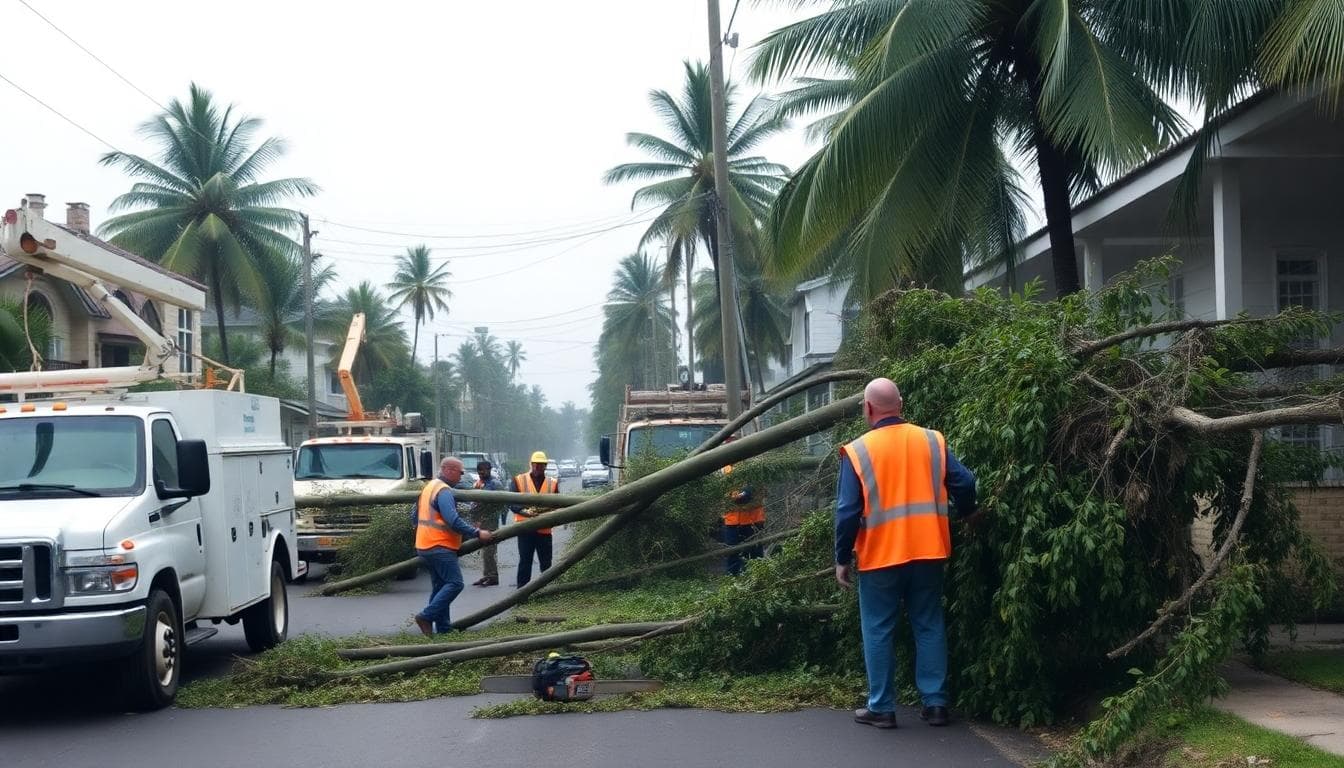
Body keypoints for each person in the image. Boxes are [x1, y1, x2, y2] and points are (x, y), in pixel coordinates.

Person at [835, 378, 977, 730]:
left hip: (881, 556)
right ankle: (936, 704)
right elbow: (965, 482)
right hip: (929, 551)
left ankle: (882, 708)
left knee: (878, 629)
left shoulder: (858, 451)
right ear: (900, 404)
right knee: (929, 624)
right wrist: (968, 512)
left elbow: (847, 512)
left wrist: (842, 557)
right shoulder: (932, 440)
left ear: (868, 408)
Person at [412, 457, 493, 636]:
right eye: (460, 472)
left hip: (425, 545)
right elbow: (453, 520)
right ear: (448, 470)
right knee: (455, 583)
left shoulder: (429, 487)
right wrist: (477, 532)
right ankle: (425, 616)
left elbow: (414, 516)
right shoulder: (444, 491)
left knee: (440, 586)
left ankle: (443, 628)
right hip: (439, 545)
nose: (461, 476)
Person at [509, 450, 560, 587]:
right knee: (525, 561)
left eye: (541, 464)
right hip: (525, 529)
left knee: (546, 563)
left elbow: (557, 504)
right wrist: (524, 512)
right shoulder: (518, 480)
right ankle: (522, 592)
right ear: (531, 464)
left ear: (545, 466)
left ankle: (546, 590)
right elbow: (512, 503)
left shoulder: (552, 483)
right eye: (535, 464)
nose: (537, 467)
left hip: (544, 530)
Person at [721, 462, 766, 576]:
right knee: (732, 551)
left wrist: (746, 493)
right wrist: (735, 495)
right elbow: (723, 489)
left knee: (755, 550)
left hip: (752, 519)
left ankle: (758, 576)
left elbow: (758, 488)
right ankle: (732, 577)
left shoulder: (754, 464)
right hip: (732, 520)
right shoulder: (726, 468)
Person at [470, 460, 504, 587]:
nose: (481, 473)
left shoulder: (495, 484)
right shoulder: (478, 483)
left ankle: (493, 577)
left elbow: (501, 505)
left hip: (490, 522)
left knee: (490, 550)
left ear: (489, 470)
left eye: (483, 471)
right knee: (484, 551)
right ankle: (486, 575)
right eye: (479, 471)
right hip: (480, 522)